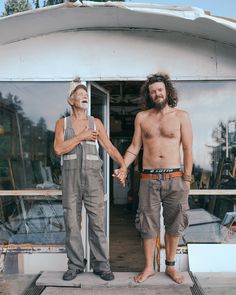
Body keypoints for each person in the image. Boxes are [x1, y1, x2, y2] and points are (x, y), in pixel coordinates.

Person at [116, 73, 192, 284]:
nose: (157, 93)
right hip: (148, 179)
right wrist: (123, 167)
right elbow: (134, 148)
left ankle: (170, 267)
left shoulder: (181, 116)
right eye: (152, 91)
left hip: (175, 177)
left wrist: (187, 180)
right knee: (147, 224)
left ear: (167, 91)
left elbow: (187, 149)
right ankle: (149, 267)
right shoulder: (142, 117)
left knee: (174, 224)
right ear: (148, 95)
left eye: (159, 89)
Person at [54, 78, 127, 281]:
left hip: (93, 180)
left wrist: (123, 166)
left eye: (86, 94)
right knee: (71, 223)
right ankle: (75, 265)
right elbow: (58, 149)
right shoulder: (63, 123)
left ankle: (101, 266)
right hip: (70, 181)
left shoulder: (96, 123)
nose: (85, 96)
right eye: (80, 94)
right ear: (71, 100)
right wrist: (81, 136)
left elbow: (110, 148)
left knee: (97, 224)